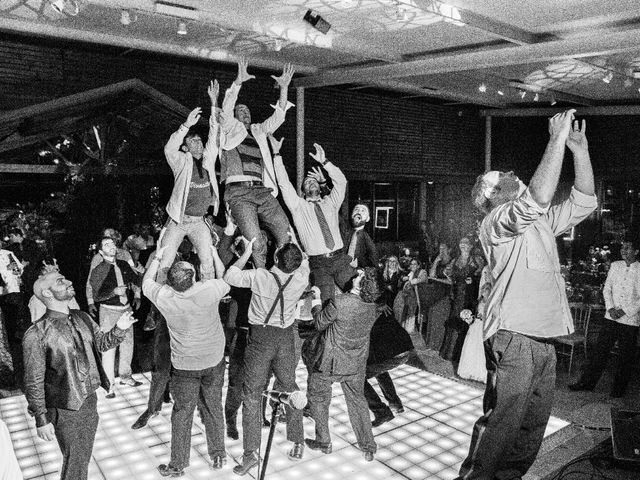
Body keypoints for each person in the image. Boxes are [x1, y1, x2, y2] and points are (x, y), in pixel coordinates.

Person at [455, 110, 597, 480]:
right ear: (491, 196)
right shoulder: (495, 223)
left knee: (529, 433)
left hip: (543, 340)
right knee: (500, 428)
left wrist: (578, 151)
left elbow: (584, 201)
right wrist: (554, 140)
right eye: (507, 177)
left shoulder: (540, 223)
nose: (515, 175)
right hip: (513, 336)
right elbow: (536, 198)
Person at [22, 271, 136, 480]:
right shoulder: (37, 333)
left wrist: (120, 328)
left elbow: (102, 343)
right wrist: (41, 418)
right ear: (47, 293)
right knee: (76, 460)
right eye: (60, 281)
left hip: (89, 399)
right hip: (66, 407)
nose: (69, 281)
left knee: (79, 458)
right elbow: (33, 381)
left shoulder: (81, 316)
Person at [142, 242, 230, 477]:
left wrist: (158, 258)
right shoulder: (208, 290)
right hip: (213, 360)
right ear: (192, 277)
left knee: (182, 413)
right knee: (213, 407)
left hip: (184, 366)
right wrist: (213, 254)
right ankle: (219, 454)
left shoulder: (164, 296)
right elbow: (224, 277)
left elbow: (145, 283)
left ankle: (178, 464)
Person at [224, 237, 309, 474]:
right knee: (289, 387)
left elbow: (230, 276)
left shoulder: (260, 276)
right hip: (285, 339)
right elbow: (305, 263)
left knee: (251, 395)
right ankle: (298, 441)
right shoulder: (301, 278)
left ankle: (251, 454)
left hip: (260, 339)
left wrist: (247, 252)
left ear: (275, 258)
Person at [218, 58, 295, 268]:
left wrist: (284, 89)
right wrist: (238, 83)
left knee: (285, 233)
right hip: (239, 193)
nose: (245, 112)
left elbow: (278, 117)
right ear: (234, 116)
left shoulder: (258, 130)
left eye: (247, 111)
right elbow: (225, 110)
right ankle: (262, 279)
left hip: (262, 191)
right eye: (240, 110)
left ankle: (285, 275)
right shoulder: (230, 130)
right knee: (257, 243)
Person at [303, 269, 378, 461]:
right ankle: (368, 446)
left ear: (361, 284)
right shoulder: (372, 307)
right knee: (358, 401)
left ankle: (324, 441)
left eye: (359, 276)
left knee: (318, 397)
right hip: (355, 364)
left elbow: (319, 323)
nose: (355, 275)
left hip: (330, 363)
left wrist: (318, 301)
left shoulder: (340, 302)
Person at [271, 137, 355, 302]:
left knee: (358, 294)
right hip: (318, 264)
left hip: (340, 259)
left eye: (314, 181)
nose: (311, 183)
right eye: (307, 182)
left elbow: (341, 182)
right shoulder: (298, 206)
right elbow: (283, 184)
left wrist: (325, 162)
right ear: (303, 191)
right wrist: (276, 155)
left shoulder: (331, 202)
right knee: (326, 304)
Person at [158, 79, 222, 281]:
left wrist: (214, 102)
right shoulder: (181, 161)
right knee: (165, 260)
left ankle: (206, 296)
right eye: (192, 141)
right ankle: (159, 299)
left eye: (198, 139)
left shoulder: (208, 158)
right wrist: (186, 126)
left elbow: (214, 132)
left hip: (198, 221)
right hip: (178, 220)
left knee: (207, 260)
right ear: (185, 147)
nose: (198, 142)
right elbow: (169, 148)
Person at [569, 238, 640, 398]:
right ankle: (586, 383)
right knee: (599, 352)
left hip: (630, 320)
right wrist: (610, 308)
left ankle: (618, 391)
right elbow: (607, 289)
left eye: (628, 248)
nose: (624, 250)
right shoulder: (615, 266)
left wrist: (624, 311)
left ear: (636, 251)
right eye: (623, 248)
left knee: (625, 357)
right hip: (610, 317)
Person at [89, 237, 142, 397]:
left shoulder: (124, 264)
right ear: (100, 251)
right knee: (108, 347)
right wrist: (113, 292)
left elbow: (135, 280)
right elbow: (97, 296)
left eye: (112, 243)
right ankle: (109, 384)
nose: (111, 246)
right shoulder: (98, 270)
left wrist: (137, 292)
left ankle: (125, 376)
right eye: (106, 244)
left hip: (125, 309)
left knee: (128, 344)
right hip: (108, 311)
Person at [440, 236, 484, 364]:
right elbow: (449, 274)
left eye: (466, 243)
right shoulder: (455, 260)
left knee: (467, 320)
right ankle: (450, 353)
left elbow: (484, 278)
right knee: (455, 319)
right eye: (461, 242)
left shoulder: (477, 260)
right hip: (457, 294)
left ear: (471, 246)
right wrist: (448, 274)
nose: (463, 245)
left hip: (470, 295)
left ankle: (463, 355)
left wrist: (474, 281)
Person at [85, 228, 135, 318]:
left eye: (113, 237)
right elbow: (91, 282)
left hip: (126, 306)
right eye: (106, 237)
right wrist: (90, 302)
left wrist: (137, 294)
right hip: (108, 307)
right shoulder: (97, 258)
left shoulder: (125, 255)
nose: (111, 240)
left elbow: (134, 276)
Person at [457, 277, 491, 383]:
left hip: (483, 327)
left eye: (485, 290)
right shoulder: (477, 302)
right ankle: (469, 371)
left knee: (480, 349)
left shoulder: (491, 304)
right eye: (482, 290)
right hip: (475, 325)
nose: (483, 292)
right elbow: (473, 311)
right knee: (471, 346)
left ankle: (480, 373)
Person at [397, 258, 428, 333]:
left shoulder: (422, 272)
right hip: (410, 298)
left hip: (419, 298)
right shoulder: (410, 274)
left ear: (418, 266)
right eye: (411, 264)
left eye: (415, 264)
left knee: (415, 315)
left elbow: (421, 279)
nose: (413, 265)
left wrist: (410, 281)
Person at [344, 204, 378, 268]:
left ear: (368, 218)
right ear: (351, 215)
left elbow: (374, 261)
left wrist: (359, 264)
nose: (359, 212)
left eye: (363, 210)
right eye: (356, 209)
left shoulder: (368, 238)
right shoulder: (344, 232)